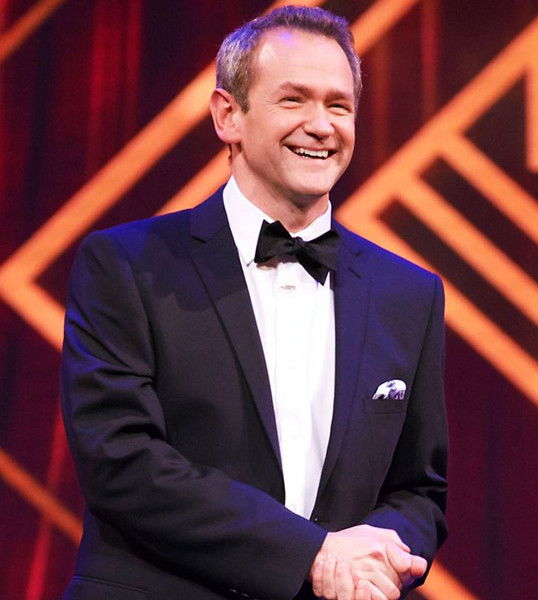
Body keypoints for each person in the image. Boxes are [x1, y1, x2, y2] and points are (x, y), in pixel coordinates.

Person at [60, 6, 447, 600]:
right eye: (294, 100)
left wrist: (378, 555)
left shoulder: (409, 294)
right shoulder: (128, 265)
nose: (321, 126)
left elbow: (419, 490)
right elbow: (121, 462)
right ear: (228, 115)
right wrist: (311, 554)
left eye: (339, 105)